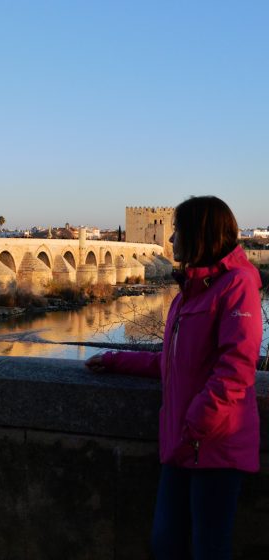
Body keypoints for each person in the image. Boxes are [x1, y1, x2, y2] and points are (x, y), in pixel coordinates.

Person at [86, 196, 262, 560]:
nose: (169, 240)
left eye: (177, 230)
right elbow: (171, 362)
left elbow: (237, 366)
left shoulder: (237, 284)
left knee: (208, 549)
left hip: (214, 447)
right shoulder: (188, 293)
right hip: (180, 445)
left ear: (199, 234)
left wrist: (197, 423)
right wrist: (115, 359)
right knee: (166, 544)